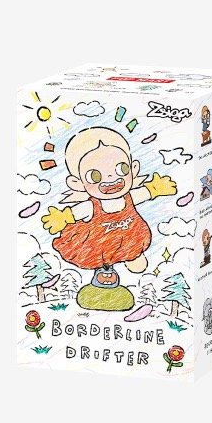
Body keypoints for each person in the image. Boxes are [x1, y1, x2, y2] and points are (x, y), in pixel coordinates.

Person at [42, 126, 176, 310]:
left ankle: (130, 258)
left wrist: (156, 188)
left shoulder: (129, 197)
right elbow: (73, 214)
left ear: (133, 169)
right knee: (99, 257)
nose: (111, 177)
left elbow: (147, 192)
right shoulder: (92, 206)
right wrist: (63, 217)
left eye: (121, 168)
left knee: (136, 258)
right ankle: (101, 275)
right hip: (100, 241)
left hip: (128, 237)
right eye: (95, 175)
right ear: (78, 183)